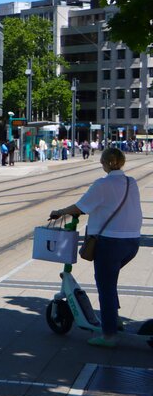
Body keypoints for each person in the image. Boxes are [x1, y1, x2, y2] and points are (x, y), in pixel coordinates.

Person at [49, 147, 142, 347]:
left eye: (102, 162)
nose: (101, 164)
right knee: (110, 280)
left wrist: (59, 212)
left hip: (110, 243)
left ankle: (109, 335)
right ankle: (114, 320)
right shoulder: (130, 182)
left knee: (105, 286)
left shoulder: (102, 184)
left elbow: (80, 207)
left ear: (108, 163)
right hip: (132, 243)